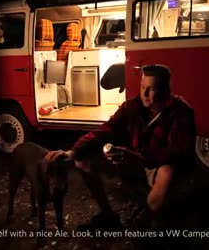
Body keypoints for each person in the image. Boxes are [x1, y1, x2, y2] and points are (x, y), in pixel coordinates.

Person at [45, 64, 196, 233]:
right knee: (83, 159)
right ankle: (109, 216)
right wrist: (74, 151)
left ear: (166, 90)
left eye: (151, 89)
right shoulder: (132, 106)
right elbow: (106, 130)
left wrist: (139, 157)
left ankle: (150, 222)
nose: (145, 94)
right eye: (142, 87)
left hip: (158, 166)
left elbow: (177, 152)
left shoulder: (181, 112)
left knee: (167, 170)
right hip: (134, 160)